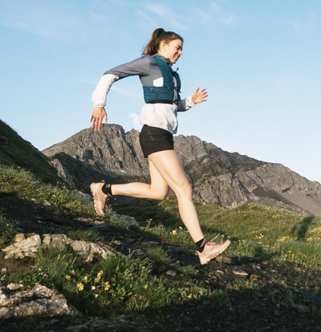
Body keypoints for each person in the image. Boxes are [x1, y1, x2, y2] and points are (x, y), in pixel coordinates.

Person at [89, 28, 230, 265]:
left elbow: (171, 105)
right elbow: (110, 74)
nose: (181, 52)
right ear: (163, 45)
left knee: (158, 192)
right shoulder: (149, 63)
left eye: (182, 49)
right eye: (178, 47)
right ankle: (203, 248)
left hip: (162, 134)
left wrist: (190, 102)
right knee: (184, 189)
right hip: (154, 133)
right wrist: (98, 104)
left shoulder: (171, 74)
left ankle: (103, 190)